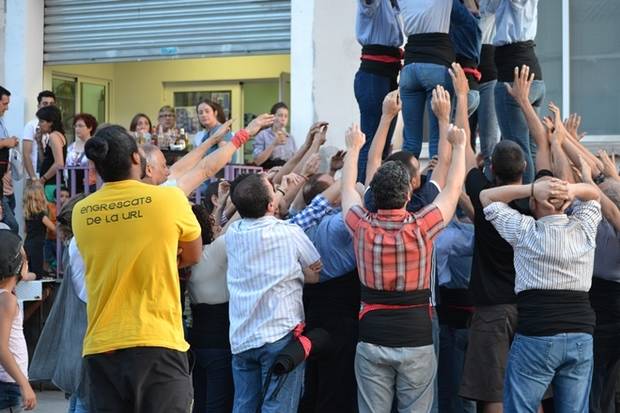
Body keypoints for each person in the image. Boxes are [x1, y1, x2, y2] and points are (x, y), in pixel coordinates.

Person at [72, 125, 202, 412]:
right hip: (157, 341)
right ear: (135, 159)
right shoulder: (170, 200)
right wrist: (165, 258)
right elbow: (193, 253)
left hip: (101, 346)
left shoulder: (82, 211)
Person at [341, 121, 468, 413]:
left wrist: (353, 149)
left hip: (371, 336)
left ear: (373, 195)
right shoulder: (423, 227)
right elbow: (453, 188)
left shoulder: (361, 227)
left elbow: (347, 188)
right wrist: (459, 146)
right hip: (417, 338)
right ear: (409, 195)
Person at [480, 177, 601, 412]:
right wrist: (572, 189)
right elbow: (594, 195)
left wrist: (531, 189)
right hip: (581, 334)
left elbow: (487, 196)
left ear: (534, 203)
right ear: (566, 203)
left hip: (537, 333)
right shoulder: (584, 227)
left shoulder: (525, 230)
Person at [225, 173, 323, 412]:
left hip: (241, 337)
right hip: (280, 335)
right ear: (271, 205)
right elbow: (315, 272)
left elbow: (248, 203)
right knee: (278, 406)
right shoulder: (289, 232)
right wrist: (298, 273)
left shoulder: (233, 232)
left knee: (244, 405)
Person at [28, 194, 89, 413]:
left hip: (74, 327)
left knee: (77, 395)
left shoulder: (72, 246)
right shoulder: (81, 246)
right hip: (84, 324)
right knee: (84, 394)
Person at [481, 0, 544, 183]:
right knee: (529, 148)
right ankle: (532, 198)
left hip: (514, 75)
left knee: (518, 149)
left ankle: (524, 202)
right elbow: (487, 9)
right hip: (530, 73)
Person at [142, 114, 273, 195]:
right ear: (149, 170)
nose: (168, 171)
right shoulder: (163, 194)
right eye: (163, 166)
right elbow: (205, 169)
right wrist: (246, 133)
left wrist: (213, 139)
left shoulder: (134, 189)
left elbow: (178, 169)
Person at [187, 204, 233, 413]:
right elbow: (236, 220)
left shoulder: (183, 260)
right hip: (220, 341)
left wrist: (222, 201)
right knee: (217, 404)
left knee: (200, 401)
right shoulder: (216, 251)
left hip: (197, 342)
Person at [353, 0, 403, 182]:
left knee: (382, 145)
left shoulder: (394, 5)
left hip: (387, 76)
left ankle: (374, 192)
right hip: (374, 76)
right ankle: (363, 192)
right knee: (371, 142)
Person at [398, 0, 455, 158]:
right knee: (438, 139)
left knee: (410, 141)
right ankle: (434, 181)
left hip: (410, 68)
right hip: (436, 65)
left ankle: (403, 182)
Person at [0, 230, 37, 412]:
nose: (27, 262)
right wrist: (24, 384)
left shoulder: (7, 297)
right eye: (24, 258)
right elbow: (1, 347)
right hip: (10, 385)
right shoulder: (7, 300)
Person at [23, 182, 55, 278]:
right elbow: (53, 228)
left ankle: (25, 276)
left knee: (32, 268)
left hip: (27, 244)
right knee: (38, 273)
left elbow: (25, 230)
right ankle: (25, 277)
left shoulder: (28, 216)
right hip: (37, 246)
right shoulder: (41, 215)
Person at [22, 90, 56, 181]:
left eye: (51, 104)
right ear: (38, 106)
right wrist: (33, 178)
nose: (48, 106)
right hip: (36, 177)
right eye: (45, 103)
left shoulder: (56, 127)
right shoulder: (31, 125)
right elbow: (26, 154)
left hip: (52, 177)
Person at [252, 102, 297, 168]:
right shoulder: (262, 135)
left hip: (286, 173)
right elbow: (257, 161)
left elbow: (295, 161)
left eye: (286, 116)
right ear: (273, 117)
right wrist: (274, 144)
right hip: (267, 173)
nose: (283, 119)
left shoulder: (290, 138)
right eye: (280, 115)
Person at [36, 105, 66, 200]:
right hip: (51, 183)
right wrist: (39, 143)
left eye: (41, 121)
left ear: (51, 122)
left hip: (52, 184)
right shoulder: (53, 136)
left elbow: (59, 163)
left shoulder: (54, 136)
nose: (39, 124)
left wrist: (42, 180)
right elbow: (45, 161)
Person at [0, 86, 19, 234]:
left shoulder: (1, 122)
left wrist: (10, 141)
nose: (6, 108)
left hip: (3, 181)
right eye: (4, 104)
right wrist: (6, 142)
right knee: (11, 225)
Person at [66, 113, 98, 192]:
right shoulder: (71, 147)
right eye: (75, 126)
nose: (77, 129)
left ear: (90, 128)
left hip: (89, 186)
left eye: (80, 126)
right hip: (72, 185)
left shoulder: (95, 145)